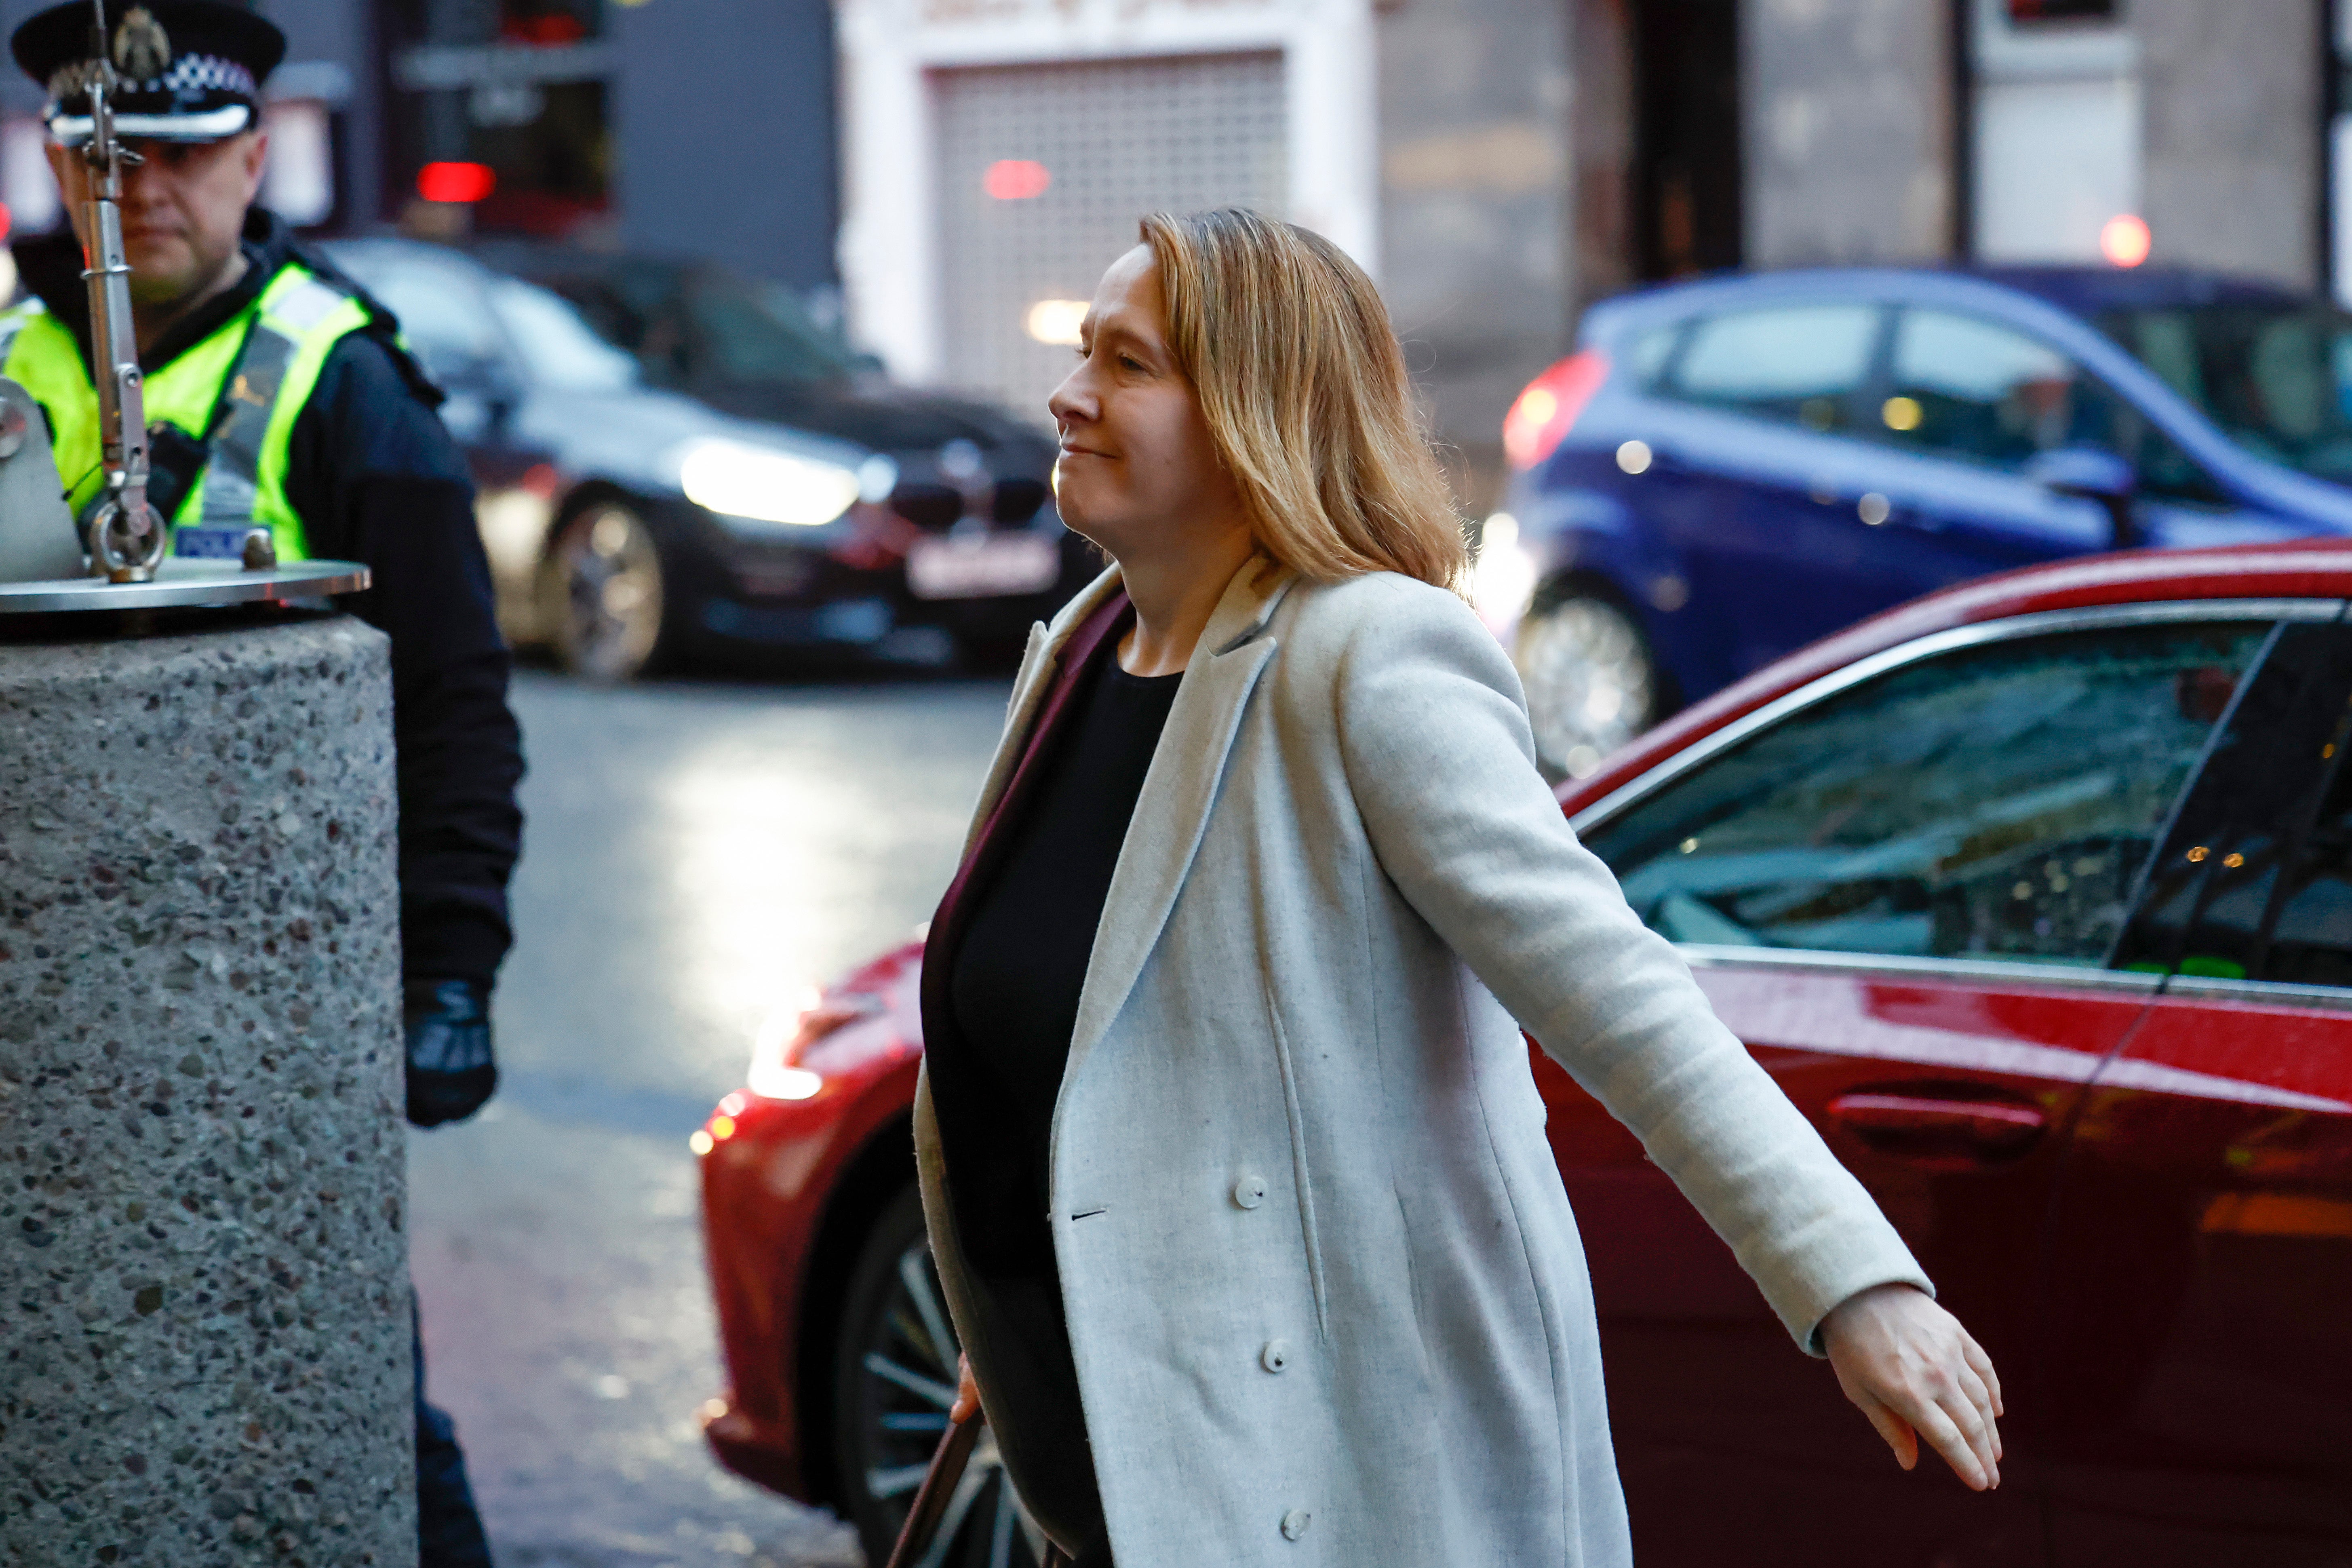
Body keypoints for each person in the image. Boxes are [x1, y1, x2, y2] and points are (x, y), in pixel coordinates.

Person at [917, 207, 2004, 1568]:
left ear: (1258, 408)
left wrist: (1852, 1285)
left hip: (1346, 1464)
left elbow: (1619, 997)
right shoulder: (1084, 650)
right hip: (1133, 1456)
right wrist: (1033, 1313)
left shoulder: (1369, 657)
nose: (1069, 395)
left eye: (1127, 364)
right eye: (1084, 352)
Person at [4, 6, 523, 1565]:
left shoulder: (339, 372)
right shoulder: (15, 358)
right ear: (53, 160)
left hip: (255, 999)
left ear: (251, 158)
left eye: (176, 161)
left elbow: (454, 697)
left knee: (329, 1371)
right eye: (106, 163)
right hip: (42, 989)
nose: (140, 197)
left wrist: (452, 968)